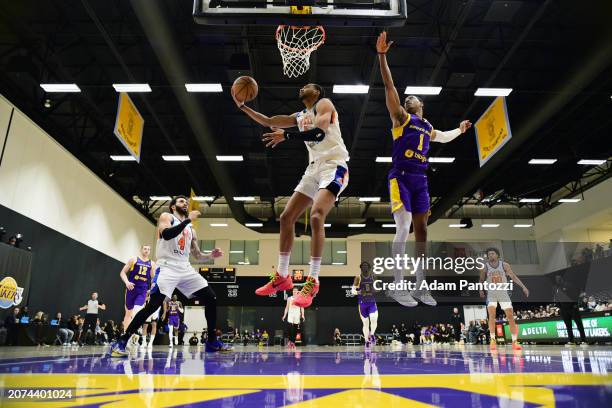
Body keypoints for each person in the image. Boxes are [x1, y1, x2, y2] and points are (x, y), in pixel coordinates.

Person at [376, 31, 472, 307]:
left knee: (423, 232)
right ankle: (397, 284)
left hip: (421, 180)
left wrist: (460, 129)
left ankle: (420, 285)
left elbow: (443, 136)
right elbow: (389, 87)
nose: (408, 99)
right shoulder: (401, 118)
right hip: (402, 177)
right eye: (407, 98)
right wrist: (382, 57)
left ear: (422, 105)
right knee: (403, 226)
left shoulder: (427, 126)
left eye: (413, 98)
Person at [232, 83, 349, 308]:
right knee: (286, 217)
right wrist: (243, 107)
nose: (301, 87)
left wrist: (286, 136)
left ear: (317, 91)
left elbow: (319, 132)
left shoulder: (324, 104)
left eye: (307, 86)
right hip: (313, 168)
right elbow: (268, 121)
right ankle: (283, 277)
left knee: (316, 216)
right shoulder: (300, 115)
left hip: (334, 166)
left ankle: (313, 280)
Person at [110, 195, 230, 356]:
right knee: (153, 306)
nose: (185, 203)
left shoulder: (191, 230)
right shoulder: (167, 217)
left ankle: (212, 342)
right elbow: (166, 234)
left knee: (211, 297)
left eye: (186, 202)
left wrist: (210, 256)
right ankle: (122, 341)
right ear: (173, 206)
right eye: (181, 201)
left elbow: (197, 255)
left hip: (185, 267)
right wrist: (187, 220)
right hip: (167, 266)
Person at [479, 247, 529, 350]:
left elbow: (514, 277)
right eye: (489, 254)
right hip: (491, 293)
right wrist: (480, 290)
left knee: (510, 316)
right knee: (491, 315)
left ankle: (515, 341)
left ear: (497, 255)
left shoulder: (504, 265)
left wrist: (523, 287)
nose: (490, 255)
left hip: (503, 293)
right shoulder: (485, 267)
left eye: (492, 253)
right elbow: (481, 279)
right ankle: (493, 339)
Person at [119, 245, 156, 343]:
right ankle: (126, 336)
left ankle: (133, 332)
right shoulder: (133, 259)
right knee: (128, 313)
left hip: (142, 290)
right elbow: (122, 273)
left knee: (137, 311)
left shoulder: (152, 263)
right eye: (145, 249)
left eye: (148, 249)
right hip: (131, 289)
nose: (147, 251)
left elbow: (154, 279)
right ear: (141, 250)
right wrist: (127, 282)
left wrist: (151, 289)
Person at [553, 274, 587, 346]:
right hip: (564, 310)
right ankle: (571, 341)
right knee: (568, 326)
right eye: (556, 279)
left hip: (572, 308)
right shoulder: (557, 289)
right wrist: (560, 307)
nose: (557, 280)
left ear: (561, 278)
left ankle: (584, 341)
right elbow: (556, 299)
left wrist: (575, 304)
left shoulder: (569, 285)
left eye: (558, 278)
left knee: (579, 324)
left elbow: (577, 294)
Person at [351, 261, 378, 350]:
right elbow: (352, 291)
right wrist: (359, 291)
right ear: (361, 268)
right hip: (362, 304)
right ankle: (366, 340)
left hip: (372, 302)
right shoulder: (358, 278)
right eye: (363, 266)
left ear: (369, 268)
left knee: (373, 318)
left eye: (366, 266)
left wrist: (375, 290)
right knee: (365, 323)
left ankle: (372, 334)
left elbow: (376, 289)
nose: (365, 267)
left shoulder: (373, 277)